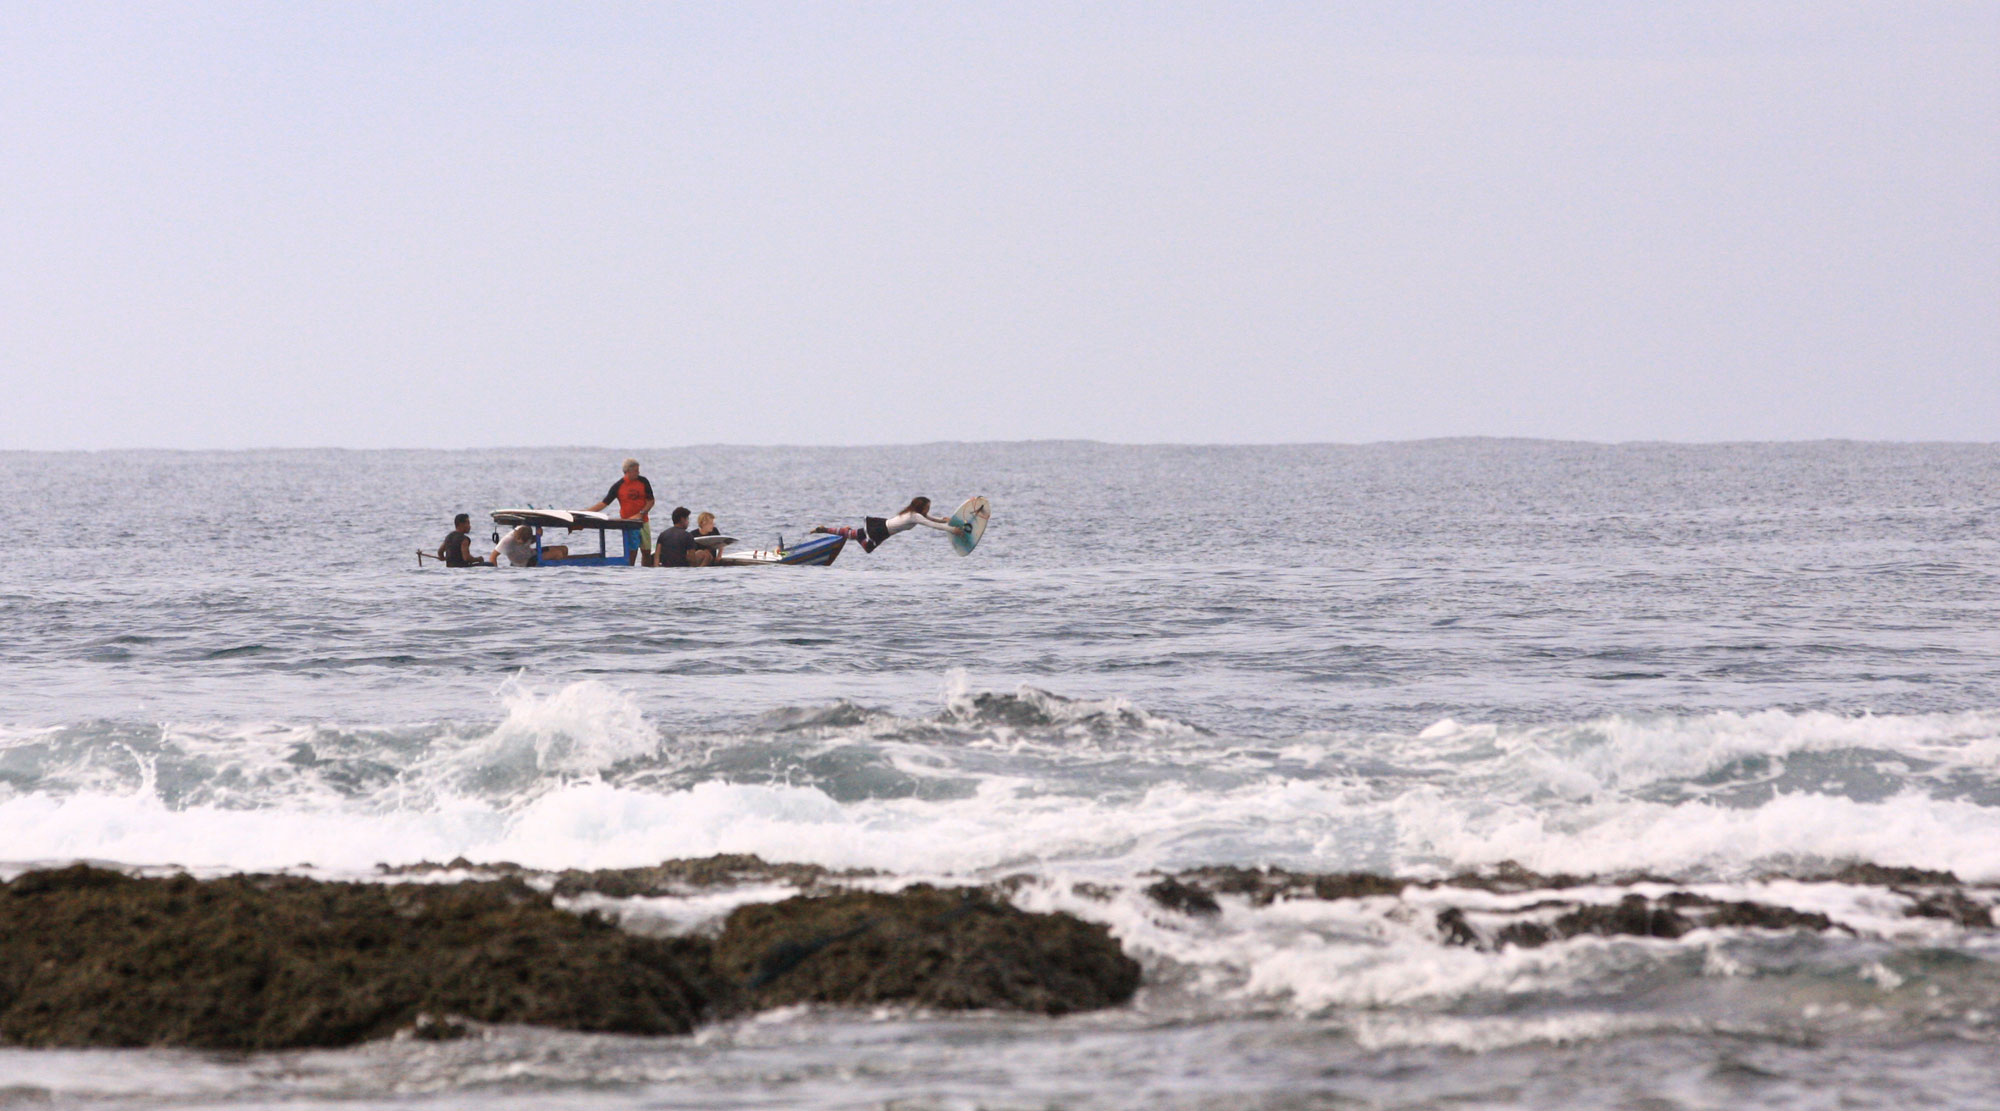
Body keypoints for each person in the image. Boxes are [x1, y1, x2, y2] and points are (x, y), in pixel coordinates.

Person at [812, 496, 963, 553]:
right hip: (881, 529)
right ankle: (831, 530)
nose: (928, 510)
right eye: (927, 507)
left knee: (855, 536)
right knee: (864, 544)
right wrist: (951, 530)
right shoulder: (914, 516)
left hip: (882, 527)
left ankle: (825, 529)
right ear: (920, 507)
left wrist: (944, 520)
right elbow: (932, 525)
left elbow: (932, 519)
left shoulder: (914, 514)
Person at [584, 457, 657, 566]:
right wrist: (586, 512)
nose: (638, 472)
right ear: (628, 471)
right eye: (636, 470)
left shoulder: (643, 481)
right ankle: (631, 572)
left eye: (638, 470)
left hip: (643, 521)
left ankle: (645, 573)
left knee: (646, 551)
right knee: (632, 552)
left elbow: (651, 501)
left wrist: (641, 513)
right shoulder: (618, 486)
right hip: (629, 523)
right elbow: (604, 503)